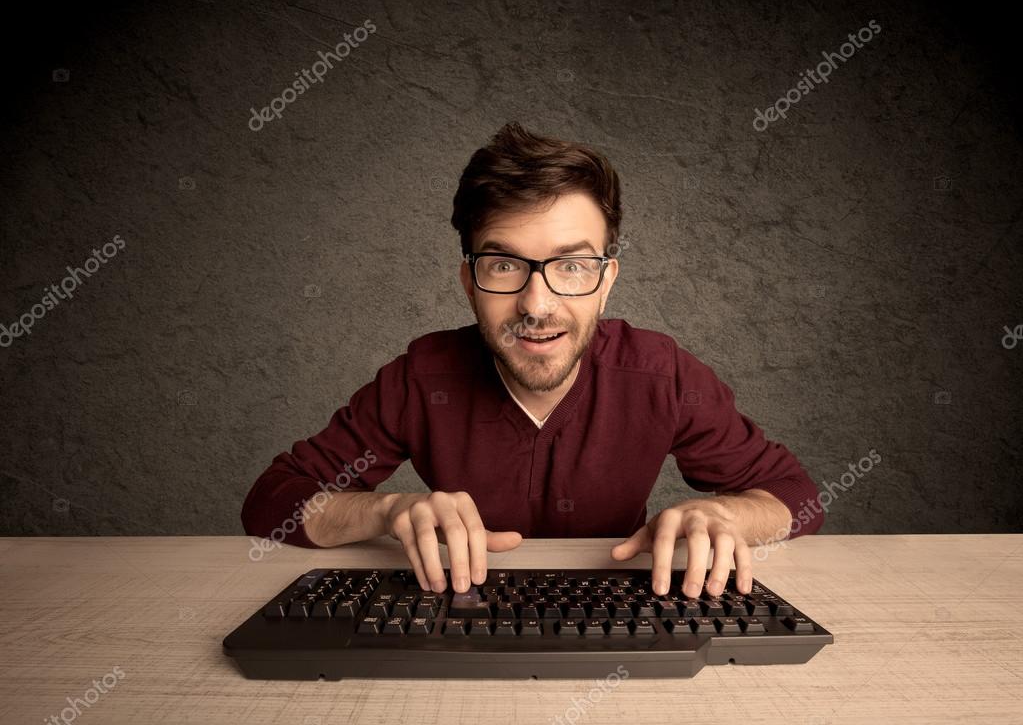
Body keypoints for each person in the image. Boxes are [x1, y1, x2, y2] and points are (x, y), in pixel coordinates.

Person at [241, 122, 823, 599]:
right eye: (504, 265)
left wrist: (729, 520)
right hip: (460, 620)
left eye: (571, 266)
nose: (536, 305)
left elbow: (794, 495)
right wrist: (387, 510)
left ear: (606, 281)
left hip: (621, 621)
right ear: (470, 282)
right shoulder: (423, 377)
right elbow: (272, 503)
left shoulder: (661, 375)